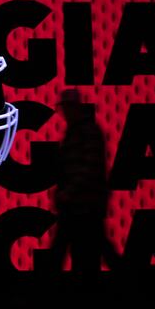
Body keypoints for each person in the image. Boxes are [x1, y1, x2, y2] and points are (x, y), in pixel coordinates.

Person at [52, 88, 109, 273]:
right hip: (80, 204)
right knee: (89, 249)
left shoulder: (85, 132)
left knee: (81, 251)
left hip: (83, 204)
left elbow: (89, 166)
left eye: (68, 107)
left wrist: (69, 191)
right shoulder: (78, 131)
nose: (66, 112)